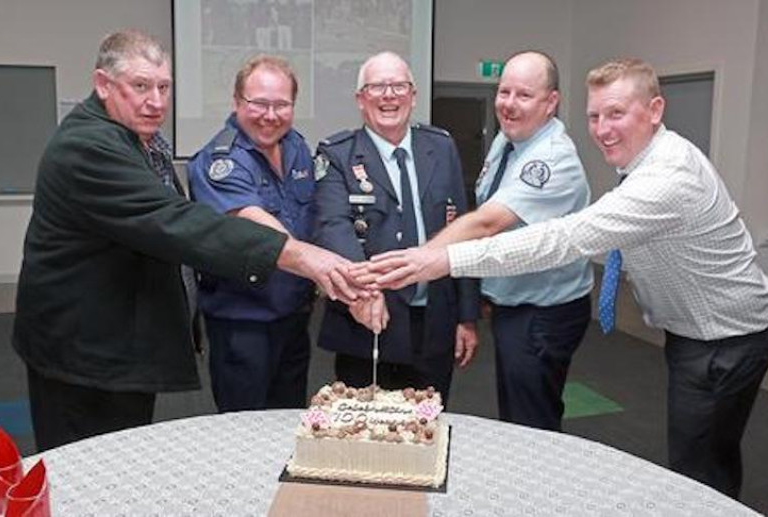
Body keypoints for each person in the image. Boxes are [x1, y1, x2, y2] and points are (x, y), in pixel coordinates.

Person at [369, 57, 768, 499]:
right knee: (703, 453)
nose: (602, 129)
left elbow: (563, 238)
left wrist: (440, 260)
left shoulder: (666, 178)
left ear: (655, 110)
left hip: (722, 335)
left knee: (699, 472)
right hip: (693, 328)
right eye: (595, 116)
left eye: (616, 114)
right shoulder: (641, 157)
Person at [12, 30, 365, 452]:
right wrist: (308, 260)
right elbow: (178, 222)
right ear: (103, 84)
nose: (157, 102)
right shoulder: (88, 146)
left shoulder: (139, 139)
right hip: (84, 355)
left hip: (119, 341)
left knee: (124, 456)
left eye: (164, 87)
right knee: (86, 467)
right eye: (140, 86)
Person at [423, 51, 592, 431]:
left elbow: (488, 222)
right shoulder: (510, 138)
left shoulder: (551, 159)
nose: (508, 105)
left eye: (524, 95)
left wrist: (421, 257)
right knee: (516, 408)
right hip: (514, 301)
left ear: (551, 103)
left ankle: (541, 485)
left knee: (531, 420)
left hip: (542, 312)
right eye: (504, 92)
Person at [313, 51, 479, 404]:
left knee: (428, 426)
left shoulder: (441, 146)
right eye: (377, 87)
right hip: (369, 321)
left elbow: (463, 228)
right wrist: (365, 291)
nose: (389, 95)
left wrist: (467, 316)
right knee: (363, 433)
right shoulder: (337, 154)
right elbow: (334, 227)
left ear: (413, 95)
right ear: (361, 99)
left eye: (398, 86)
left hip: (434, 322)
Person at [188, 56, 315, 412]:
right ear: (237, 101)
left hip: (293, 317)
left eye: (281, 105)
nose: (270, 115)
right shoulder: (218, 161)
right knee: (243, 429)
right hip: (243, 323)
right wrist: (326, 267)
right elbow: (259, 225)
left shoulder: (297, 148)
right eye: (259, 103)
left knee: (289, 419)